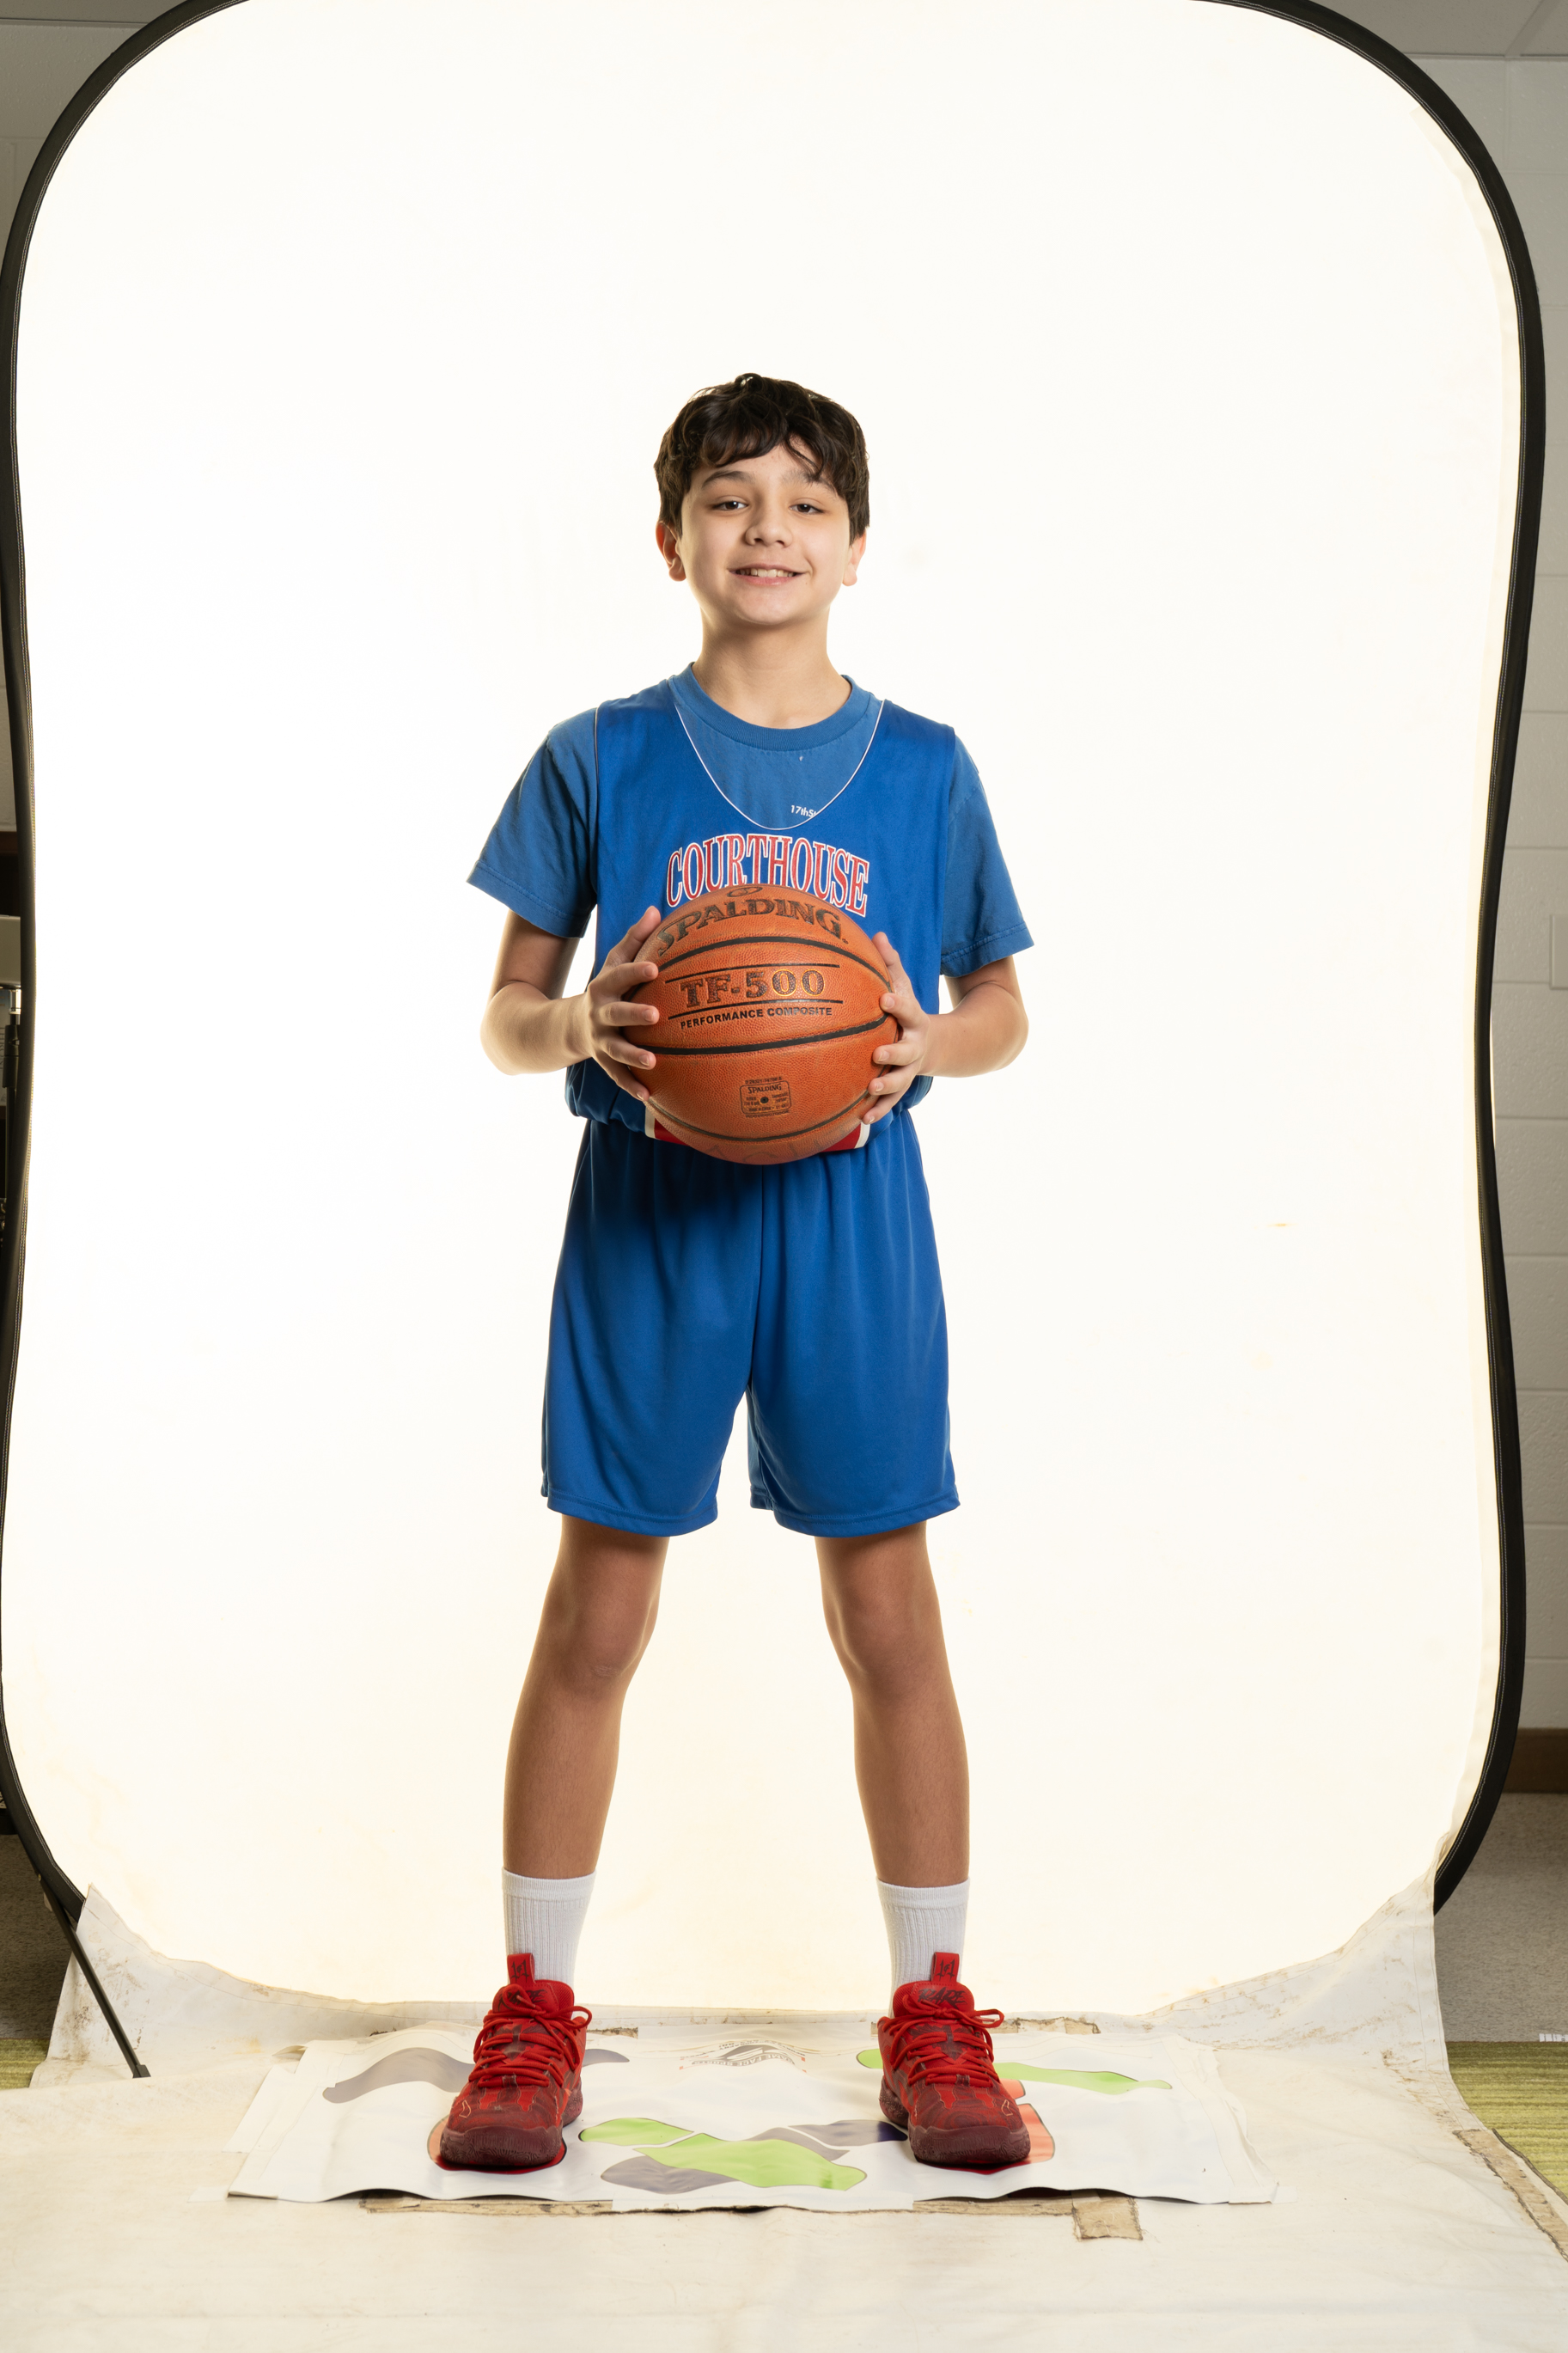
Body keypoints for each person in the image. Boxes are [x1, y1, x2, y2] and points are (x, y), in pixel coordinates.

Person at [440, 373, 1033, 2175]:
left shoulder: (926, 764)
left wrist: (922, 1043)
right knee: (597, 1612)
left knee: (888, 1613)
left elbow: (1000, 1010)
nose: (765, 527)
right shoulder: (598, 753)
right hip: (650, 1207)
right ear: (668, 538)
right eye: (727, 497)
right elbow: (503, 1015)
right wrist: (578, 1025)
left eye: (803, 502)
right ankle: (534, 2012)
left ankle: (932, 2008)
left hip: (854, 1213)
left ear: (856, 547)